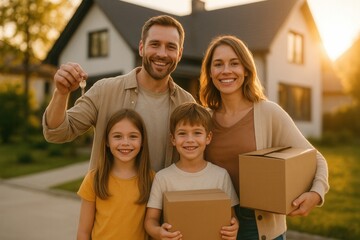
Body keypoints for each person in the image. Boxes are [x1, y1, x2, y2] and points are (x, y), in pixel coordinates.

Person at [198, 35, 329, 240]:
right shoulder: (204, 119)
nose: (226, 71)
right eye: (218, 64)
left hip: (258, 225)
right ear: (210, 72)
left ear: (246, 70)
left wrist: (316, 194)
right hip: (215, 222)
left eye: (234, 63)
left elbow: (315, 158)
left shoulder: (268, 112)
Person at [42, 15, 195, 172]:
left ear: (180, 54)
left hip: (163, 197)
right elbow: (57, 133)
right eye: (155, 44)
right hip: (112, 197)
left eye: (171, 47)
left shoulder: (187, 103)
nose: (162, 54)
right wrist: (61, 93)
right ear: (142, 48)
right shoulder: (104, 90)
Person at [144, 102, 239, 240]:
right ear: (173, 139)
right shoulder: (163, 178)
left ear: (208, 138)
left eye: (197, 133)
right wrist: (159, 233)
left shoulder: (220, 175)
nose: (190, 140)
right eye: (182, 133)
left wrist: (234, 227)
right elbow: (150, 220)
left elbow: (232, 218)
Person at [77, 108, 154, 240]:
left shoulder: (151, 179)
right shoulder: (94, 179)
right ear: (107, 141)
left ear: (142, 141)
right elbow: (83, 232)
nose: (125, 143)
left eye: (133, 136)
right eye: (117, 136)